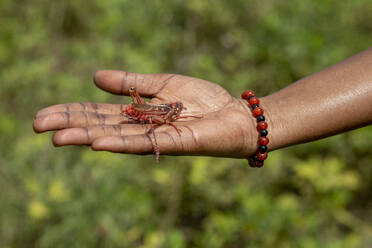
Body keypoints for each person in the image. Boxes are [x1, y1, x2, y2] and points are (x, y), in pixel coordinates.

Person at [33, 47, 372, 161]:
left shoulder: (174, 115)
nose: (177, 113)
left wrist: (251, 120)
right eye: (176, 111)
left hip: (148, 117)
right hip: (144, 114)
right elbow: (157, 118)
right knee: (142, 113)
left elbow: (166, 119)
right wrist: (145, 116)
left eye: (177, 112)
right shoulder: (165, 113)